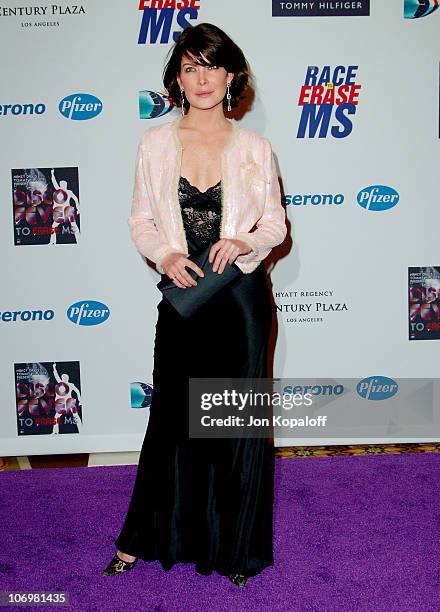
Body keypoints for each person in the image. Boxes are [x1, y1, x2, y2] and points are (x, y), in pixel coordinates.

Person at [103, 23, 287, 587]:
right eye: (189, 67)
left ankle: (236, 549)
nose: (201, 78)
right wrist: (163, 254)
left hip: (241, 302)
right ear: (177, 80)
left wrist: (245, 241)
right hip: (186, 299)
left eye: (211, 65)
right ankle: (139, 539)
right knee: (172, 420)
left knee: (235, 424)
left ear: (231, 75)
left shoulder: (256, 148)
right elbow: (141, 219)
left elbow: (276, 224)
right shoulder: (155, 143)